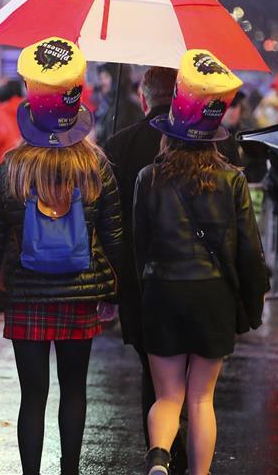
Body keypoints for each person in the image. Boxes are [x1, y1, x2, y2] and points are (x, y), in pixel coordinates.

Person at [0, 38, 123, 475]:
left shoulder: (14, 165)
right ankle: (71, 471)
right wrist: (118, 288)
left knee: (32, 397)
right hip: (79, 296)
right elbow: (114, 236)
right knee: (75, 391)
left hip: (26, 294)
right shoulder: (95, 165)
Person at [134, 50, 269, 475]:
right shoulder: (232, 179)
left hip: (163, 292)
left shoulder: (149, 177)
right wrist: (252, 303)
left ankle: (159, 458)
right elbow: (249, 250)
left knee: (167, 397)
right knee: (201, 399)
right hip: (213, 295)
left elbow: (141, 246)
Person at [103, 65, 189, 475]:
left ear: (144, 97)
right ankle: (182, 446)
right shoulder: (202, 144)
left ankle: (158, 450)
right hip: (193, 274)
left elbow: (108, 217)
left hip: (137, 278)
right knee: (192, 372)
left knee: (150, 370)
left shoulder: (119, 145)